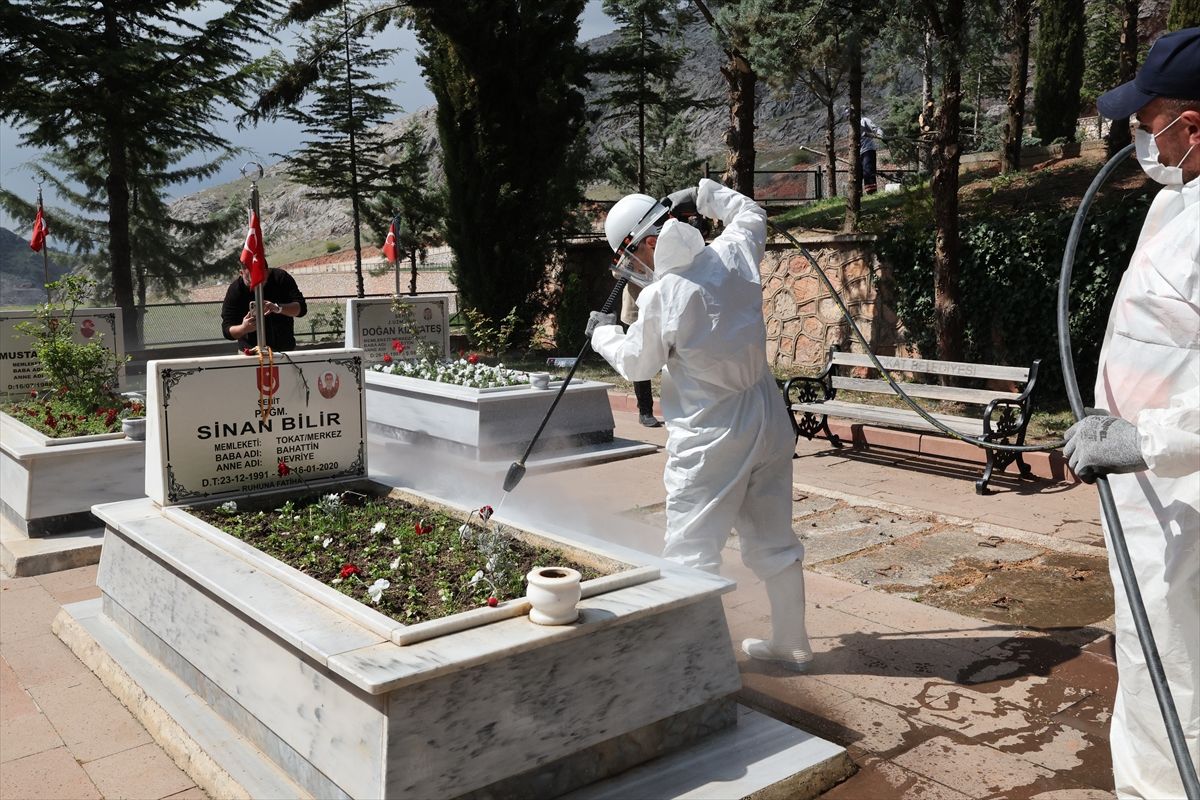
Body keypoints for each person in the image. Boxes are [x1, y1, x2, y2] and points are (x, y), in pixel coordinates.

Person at [587, 178, 813, 672]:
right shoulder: (730, 252)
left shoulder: (664, 295)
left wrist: (604, 335)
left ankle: (688, 667)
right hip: (766, 413)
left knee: (691, 547)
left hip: (712, 432)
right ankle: (792, 644)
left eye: (633, 255)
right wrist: (704, 192)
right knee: (773, 537)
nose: (634, 269)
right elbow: (751, 213)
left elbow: (638, 365)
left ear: (649, 242)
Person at [1063, 27, 1199, 800]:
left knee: (1168, 667)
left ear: (1194, 124)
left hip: (1181, 492)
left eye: (1148, 125)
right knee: (1161, 659)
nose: (1137, 140)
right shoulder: (1179, 200)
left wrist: (1142, 439)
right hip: (1151, 491)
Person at [220, 264, 307, 352]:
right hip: (250, 353)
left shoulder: (281, 278)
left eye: (261, 281)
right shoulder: (235, 289)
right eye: (249, 282)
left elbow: (301, 309)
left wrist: (278, 308)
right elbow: (227, 330)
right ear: (241, 273)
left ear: (267, 271)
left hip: (285, 350)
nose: (256, 287)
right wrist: (243, 328)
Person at [621, 283, 662, 427]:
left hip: (661, 309)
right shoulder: (632, 258)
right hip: (636, 312)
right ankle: (645, 411)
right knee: (640, 361)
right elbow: (617, 272)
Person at [843, 106, 884, 194]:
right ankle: (858, 194)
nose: (849, 118)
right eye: (847, 116)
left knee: (868, 171)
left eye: (850, 115)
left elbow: (876, 128)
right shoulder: (850, 128)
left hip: (868, 150)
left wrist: (880, 135)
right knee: (857, 173)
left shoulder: (864, 121)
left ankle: (872, 193)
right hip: (857, 153)